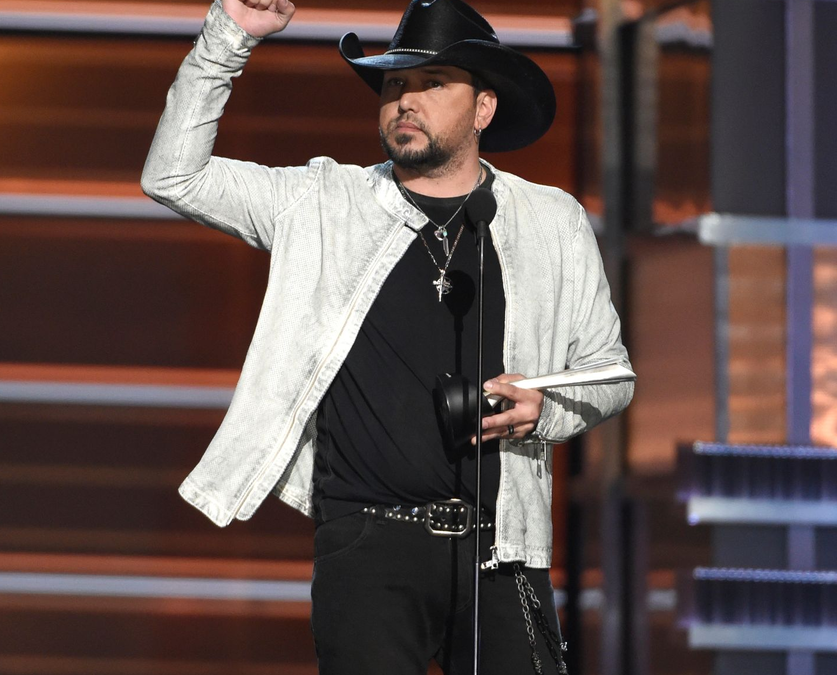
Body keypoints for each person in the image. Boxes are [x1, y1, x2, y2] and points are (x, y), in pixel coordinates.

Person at [141, 0, 634, 672]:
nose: (406, 101)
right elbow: (173, 175)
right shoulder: (321, 202)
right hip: (368, 549)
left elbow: (610, 373)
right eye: (395, 85)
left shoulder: (549, 219)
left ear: (483, 109)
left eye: (432, 84)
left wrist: (542, 413)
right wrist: (229, 35)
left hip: (502, 548)